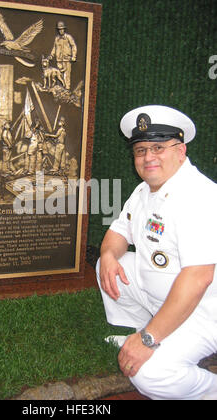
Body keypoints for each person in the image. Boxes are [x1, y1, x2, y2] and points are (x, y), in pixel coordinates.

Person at [96, 105, 217, 400]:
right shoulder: (144, 191)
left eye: (158, 148)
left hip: (202, 313)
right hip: (164, 299)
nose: (148, 157)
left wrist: (148, 341)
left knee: (148, 375)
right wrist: (109, 256)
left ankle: (209, 389)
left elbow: (199, 278)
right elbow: (117, 234)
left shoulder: (199, 197)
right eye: (140, 150)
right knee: (110, 262)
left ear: (181, 150)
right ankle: (143, 329)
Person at [48, 21, 77, 90]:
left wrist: (74, 56)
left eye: (62, 29)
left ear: (64, 29)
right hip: (59, 60)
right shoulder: (57, 38)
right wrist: (51, 55)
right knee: (59, 75)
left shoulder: (68, 37)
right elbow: (54, 48)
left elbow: (74, 46)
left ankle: (67, 89)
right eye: (59, 29)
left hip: (67, 59)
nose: (60, 31)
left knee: (67, 76)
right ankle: (61, 89)